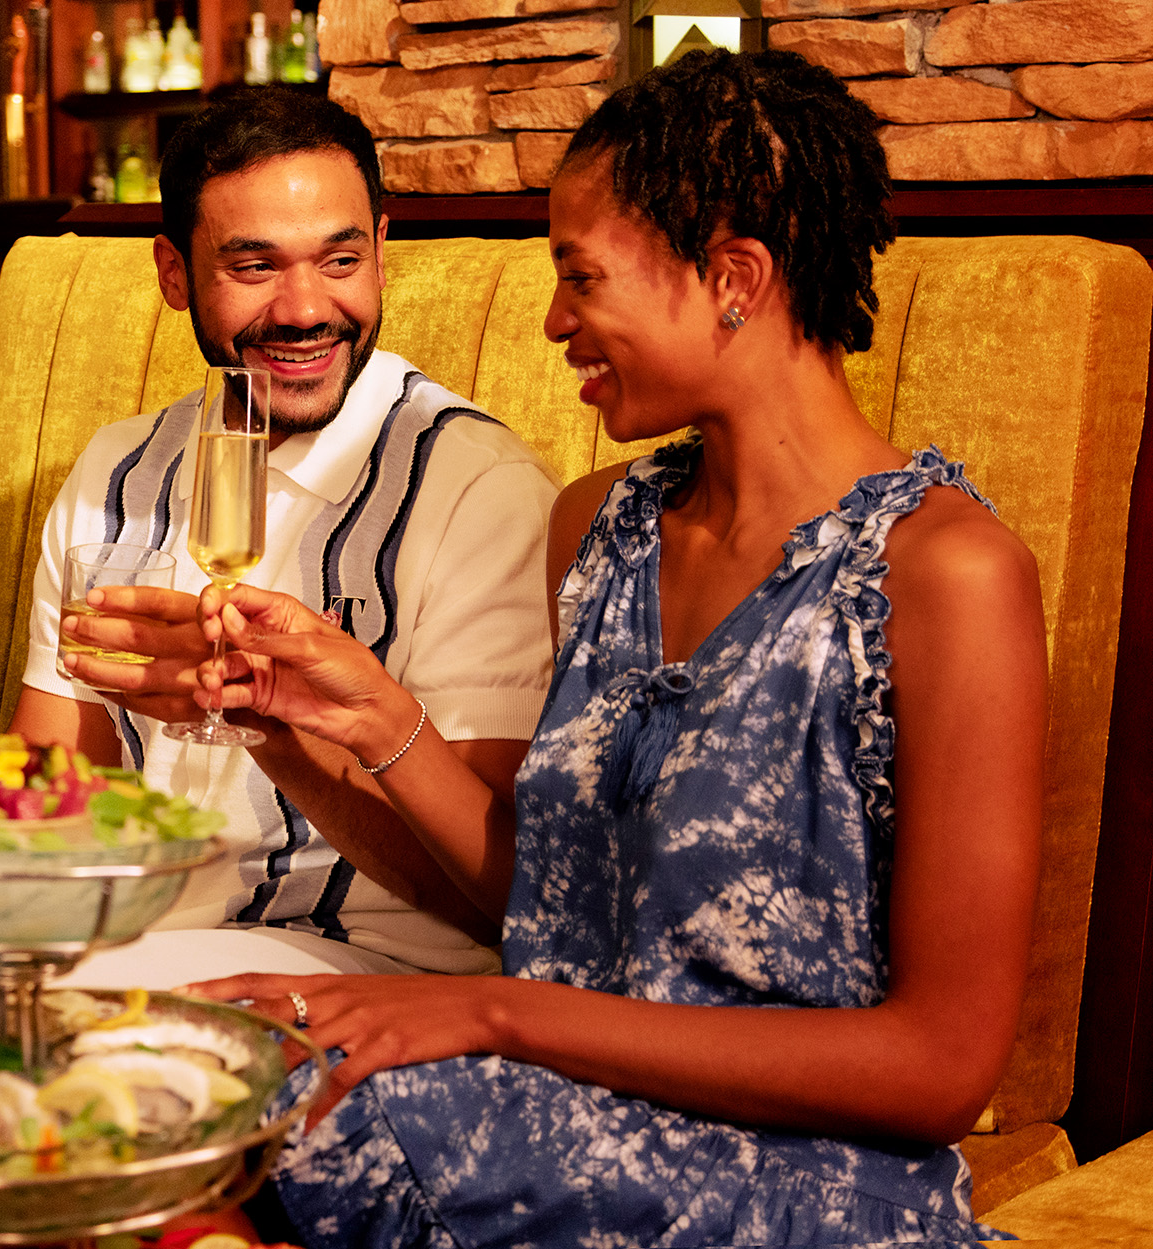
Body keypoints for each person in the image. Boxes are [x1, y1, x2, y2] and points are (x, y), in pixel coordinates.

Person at [186, 50, 1040, 1245]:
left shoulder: (945, 576)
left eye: (580, 276)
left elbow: (940, 1065)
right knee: (190, 1069)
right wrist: (328, 717)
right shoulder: (598, 527)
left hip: (810, 1176)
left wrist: (497, 1017)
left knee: (300, 1113)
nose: (553, 322)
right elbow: (548, 900)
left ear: (734, 276)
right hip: (558, 1114)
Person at [0, 88, 559, 1084]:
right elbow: (53, 781)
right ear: (176, 273)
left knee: (35, 1032)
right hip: (114, 914)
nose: (307, 306)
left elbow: (495, 894)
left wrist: (289, 728)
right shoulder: (118, 472)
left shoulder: (471, 486)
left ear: (381, 251)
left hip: (348, 952)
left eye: (340, 258)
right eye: (254, 264)